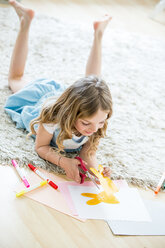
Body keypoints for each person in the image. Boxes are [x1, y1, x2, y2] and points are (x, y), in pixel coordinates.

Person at [5, 0, 113, 183]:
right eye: (86, 123)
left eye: (101, 122)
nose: (94, 129)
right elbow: (41, 147)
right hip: (41, 99)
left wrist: (96, 170)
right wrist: (63, 162)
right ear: (71, 115)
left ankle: (99, 33)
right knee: (15, 79)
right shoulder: (51, 119)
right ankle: (25, 21)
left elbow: (88, 151)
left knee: (94, 85)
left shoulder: (95, 120)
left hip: (77, 100)